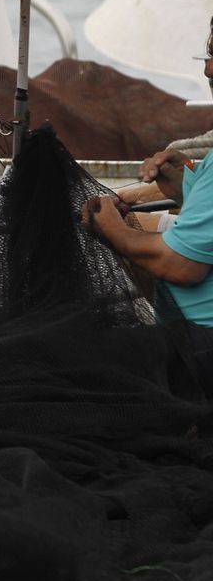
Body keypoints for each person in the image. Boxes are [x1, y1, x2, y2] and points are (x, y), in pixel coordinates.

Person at [85, 21, 213, 386]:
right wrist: (184, 189)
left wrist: (111, 228)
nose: (207, 69)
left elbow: (181, 266)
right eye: (209, 55)